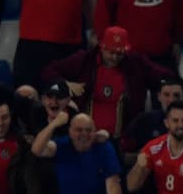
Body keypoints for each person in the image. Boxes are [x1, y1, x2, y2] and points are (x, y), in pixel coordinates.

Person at [43, 26, 174, 147]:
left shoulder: (135, 64)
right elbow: (48, 71)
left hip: (121, 142)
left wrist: (177, 88)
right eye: (111, 52)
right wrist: (65, 84)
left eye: (119, 53)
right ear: (102, 47)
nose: (115, 57)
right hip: (82, 140)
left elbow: (166, 77)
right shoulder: (84, 60)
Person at [31, 111, 127, 194]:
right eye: (79, 130)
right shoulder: (62, 146)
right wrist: (54, 124)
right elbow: (36, 149)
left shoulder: (104, 147)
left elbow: (113, 185)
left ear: (95, 132)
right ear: (70, 132)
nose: (84, 134)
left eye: (88, 130)